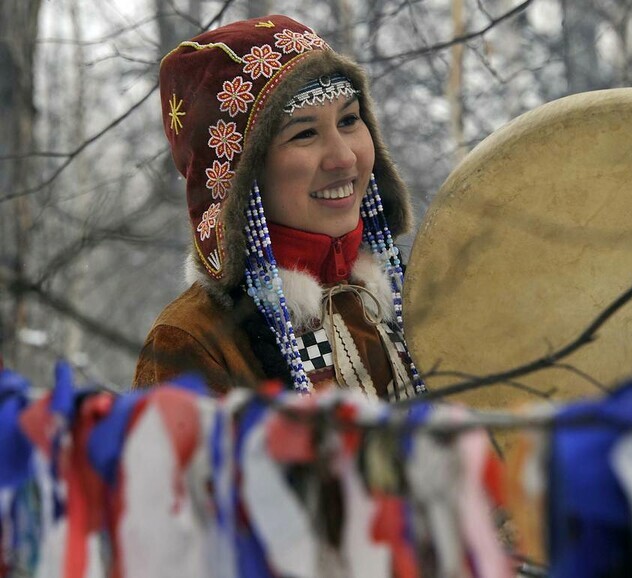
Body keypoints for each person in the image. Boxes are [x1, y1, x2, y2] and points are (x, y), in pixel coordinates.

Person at [133, 14, 425, 400]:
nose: (343, 157)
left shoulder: (418, 292)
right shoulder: (192, 340)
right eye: (304, 133)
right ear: (243, 176)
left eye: (350, 120)